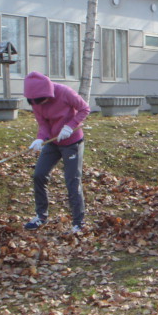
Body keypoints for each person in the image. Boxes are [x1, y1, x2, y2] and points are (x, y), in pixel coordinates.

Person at [23, 71, 90, 234]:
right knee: (39, 174)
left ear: (48, 92)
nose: (39, 104)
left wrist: (70, 126)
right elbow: (43, 123)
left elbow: (84, 108)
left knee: (72, 180)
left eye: (41, 100)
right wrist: (40, 138)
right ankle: (41, 216)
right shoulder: (35, 102)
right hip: (52, 142)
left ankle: (78, 223)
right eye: (34, 102)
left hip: (72, 142)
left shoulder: (64, 92)